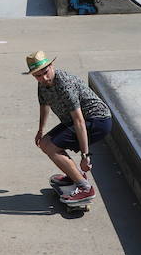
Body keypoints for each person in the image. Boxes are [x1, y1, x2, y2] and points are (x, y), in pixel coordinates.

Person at [27, 51, 113, 206]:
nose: (44, 78)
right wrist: (40, 130)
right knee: (45, 142)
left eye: (46, 73)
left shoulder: (64, 83)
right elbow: (44, 106)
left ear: (51, 65)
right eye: (38, 76)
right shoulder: (42, 85)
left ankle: (84, 188)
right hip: (79, 121)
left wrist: (85, 155)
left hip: (97, 120)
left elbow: (79, 121)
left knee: (52, 147)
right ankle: (75, 175)